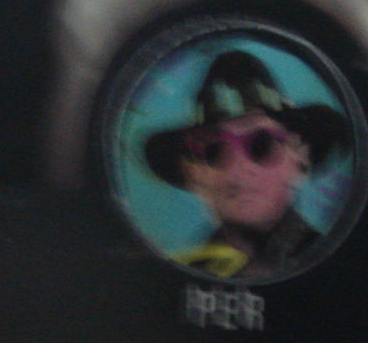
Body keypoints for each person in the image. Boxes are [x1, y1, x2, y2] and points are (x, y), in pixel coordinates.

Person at [143, 50, 350, 281]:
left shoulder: (345, 275)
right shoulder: (172, 279)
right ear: (192, 172)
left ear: (301, 158)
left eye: (261, 145)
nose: (238, 166)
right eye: (214, 151)